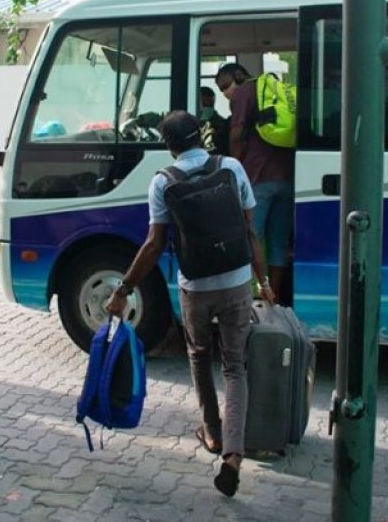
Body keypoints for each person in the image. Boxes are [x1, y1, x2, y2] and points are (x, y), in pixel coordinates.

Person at [104, 110, 275, 498]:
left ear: (169, 144)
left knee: (199, 356)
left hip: (195, 286)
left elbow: (153, 245)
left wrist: (124, 288)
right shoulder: (231, 167)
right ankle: (233, 453)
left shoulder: (163, 181)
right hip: (236, 280)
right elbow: (251, 230)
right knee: (235, 367)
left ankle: (211, 434)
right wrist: (262, 281)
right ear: (202, 136)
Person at [215, 62, 295, 304]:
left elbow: (237, 133)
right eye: (221, 90)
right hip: (286, 178)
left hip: (258, 177)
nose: (225, 93)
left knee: (253, 237)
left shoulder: (244, 92)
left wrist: (232, 166)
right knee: (278, 241)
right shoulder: (271, 90)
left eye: (225, 85)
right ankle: (274, 296)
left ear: (239, 76)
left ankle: (256, 295)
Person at [198, 86, 229, 155]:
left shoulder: (221, 124)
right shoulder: (190, 123)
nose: (205, 107)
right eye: (203, 103)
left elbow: (209, 146)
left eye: (207, 104)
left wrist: (203, 122)